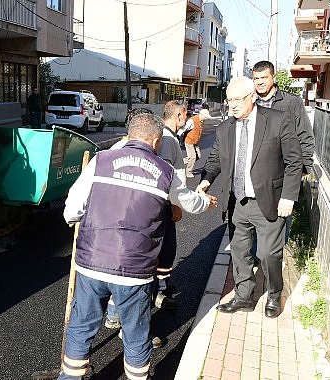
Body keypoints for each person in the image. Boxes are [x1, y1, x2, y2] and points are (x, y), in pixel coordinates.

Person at [59, 112, 216, 379]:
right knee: (135, 331)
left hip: (92, 264)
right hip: (135, 270)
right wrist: (206, 202)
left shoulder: (101, 160)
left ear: (129, 135)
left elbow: (71, 211)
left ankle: (70, 376)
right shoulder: (164, 172)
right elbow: (189, 202)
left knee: (82, 326)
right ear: (156, 141)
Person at [196, 76, 302, 319]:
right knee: (239, 252)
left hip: (271, 201)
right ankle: (244, 297)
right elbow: (214, 160)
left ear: (252, 97)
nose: (232, 105)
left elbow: (294, 161)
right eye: (229, 100)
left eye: (237, 99)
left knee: (268, 254)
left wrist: (288, 197)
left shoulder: (277, 120)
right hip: (237, 203)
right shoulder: (225, 128)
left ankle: (274, 293)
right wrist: (205, 181)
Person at [252, 60, 316, 243]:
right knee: (256, 215)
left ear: (273, 77)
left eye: (264, 77)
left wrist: (304, 167)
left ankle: (275, 257)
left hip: (284, 171)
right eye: (256, 78)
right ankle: (259, 256)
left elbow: (305, 135)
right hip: (256, 171)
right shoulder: (251, 101)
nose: (260, 82)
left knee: (281, 215)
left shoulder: (291, 103)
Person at [153, 100, 189, 309]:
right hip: (165, 204)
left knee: (168, 248)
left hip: (169, 202)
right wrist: (174, 204)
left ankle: (163, 285)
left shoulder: (169, 137)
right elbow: (165, 176)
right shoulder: (167, 139)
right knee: (165, 249)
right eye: (184, 114)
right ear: (178, 116)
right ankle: (159, 290)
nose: (186, 118)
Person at [178, 108, 210, 178]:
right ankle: (188, 172)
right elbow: (184, 129)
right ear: (201, 115)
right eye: (206, 117)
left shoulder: (202, 121)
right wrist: (177, 136)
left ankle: (181, 162)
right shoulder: (192, 121)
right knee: (192, 157)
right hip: (189, 141)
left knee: (198, 156)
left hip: (195, 142)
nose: (206, 118)